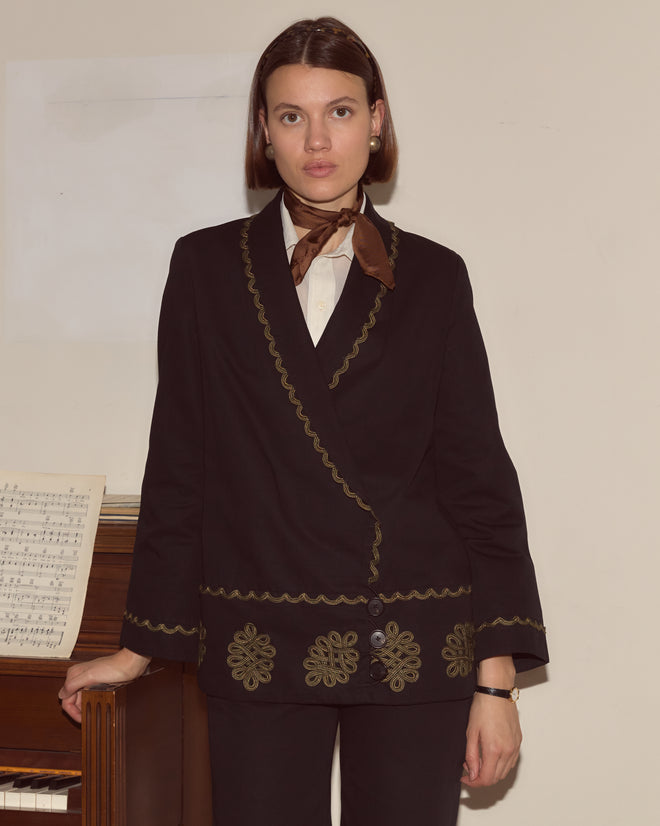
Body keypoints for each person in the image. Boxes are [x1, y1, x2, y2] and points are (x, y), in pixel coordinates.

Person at [60, 16, 548, 826]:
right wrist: (140, 645)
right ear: (264, 129)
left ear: (376, 120)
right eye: (292, 116)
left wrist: (495, 684)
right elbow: (181, 466)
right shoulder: (204, 266)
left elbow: (478, 480)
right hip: (258, 631)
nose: (317, 140)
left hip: (412, 633)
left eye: (340, 112)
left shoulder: (434, 275)